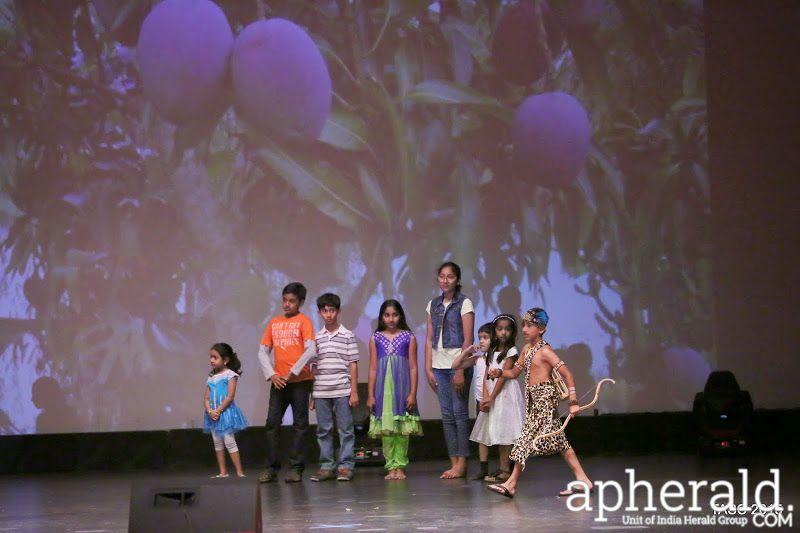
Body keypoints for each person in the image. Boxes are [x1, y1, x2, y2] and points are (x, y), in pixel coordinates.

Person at [486, 308, 593, 498]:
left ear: (541, 328)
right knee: (561, 444)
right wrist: (500, 372)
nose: (525, 329)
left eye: (530, 326)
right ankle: (583, 479)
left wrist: (573, 401)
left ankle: (511, 484)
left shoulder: (545, 351)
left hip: (545, 401)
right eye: (524, 325)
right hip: (534, 402)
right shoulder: (527, 350)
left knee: (524, 441)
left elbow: (567, 374)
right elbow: (514, 373)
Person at [257, 282, 316, 483]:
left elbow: (311, 350)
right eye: (284, 300)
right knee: (272, 424)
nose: (287, 304)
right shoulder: (274, 322)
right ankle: (271, 467)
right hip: (279, 382)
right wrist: (272, 374)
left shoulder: (304, 321)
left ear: (301, 302)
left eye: (292, 301)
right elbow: (262, 351)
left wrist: (292, 372)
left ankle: (296, 468)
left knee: (300, 425)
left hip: (299, 382)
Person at [424, 261, 475, 479]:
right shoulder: (432, 305)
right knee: (447, 415)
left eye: (450, 277)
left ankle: (462, 462)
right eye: (442, 276)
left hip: (457, 366)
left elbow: (468, 339)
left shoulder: (464, 303)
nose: (446, 280)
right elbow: (428, 339)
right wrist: (428, 368)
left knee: (460, 414)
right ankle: (453, 461)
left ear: (457, 280)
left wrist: (461, 369)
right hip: (438, 366)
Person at [367, 299, 422, 480]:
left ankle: (400, 466)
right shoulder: (375, 338)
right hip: (383, 390)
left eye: (395, 315)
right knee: (387, 429)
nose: (391, 319)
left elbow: (413, 367)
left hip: (402, 387)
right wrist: (370, 395)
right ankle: (391, 466)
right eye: (387, 315)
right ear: (382, 317)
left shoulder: (409, 337)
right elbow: (373, 368)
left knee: (401, 428)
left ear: (400, 316)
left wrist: (412, 393)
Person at [307, 293, 360, 482]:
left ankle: (345, 466)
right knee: (323, 429)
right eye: (325, 311)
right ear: (320, 313)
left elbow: (352, 363)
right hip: (321, 390)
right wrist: (312, 395)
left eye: (332, 310)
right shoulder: (317, 337)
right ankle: (326, 466)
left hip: (342, 389)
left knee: (345, 429)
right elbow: (313, 367)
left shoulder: (347, 335)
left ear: (338, 311)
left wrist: (354, 391)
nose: (328, 314)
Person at [469, 314, 525, 483]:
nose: (503, 333)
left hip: (505, 394)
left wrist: (492, 397)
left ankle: (506, 469)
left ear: (513, 333)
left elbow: (503, 376)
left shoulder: (512, 351)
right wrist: (486, 396)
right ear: (494, 331)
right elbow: (487, 373)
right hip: (492, 394)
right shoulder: (491, 351)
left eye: (507, 329)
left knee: (506, 432)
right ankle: (503, 468)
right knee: (499, 433)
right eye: (499, 329)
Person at [451, 322, 492, 480]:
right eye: (480, 337)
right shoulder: (477, 358)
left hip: (493, 399)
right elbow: (456, 365)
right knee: (482, 435)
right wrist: (466, 351)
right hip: (480, 401)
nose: (481, 341)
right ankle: (484, 469)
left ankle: (506, 468)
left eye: (486, 337)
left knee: (500, 434)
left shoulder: (495, 357)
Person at [204, 343, 248, 478]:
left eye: (215, 357)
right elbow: (206, 398)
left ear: (226, 360)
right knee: (217, 442)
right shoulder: (211, 377)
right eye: (211, 357)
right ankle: (223, 472)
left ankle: (239, 472)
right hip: (212, 415)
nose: (212, 360)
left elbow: (230, 396)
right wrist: (210, 411)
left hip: (225, 413)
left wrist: (218, 410)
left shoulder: (230, 375)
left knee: (229, 441)